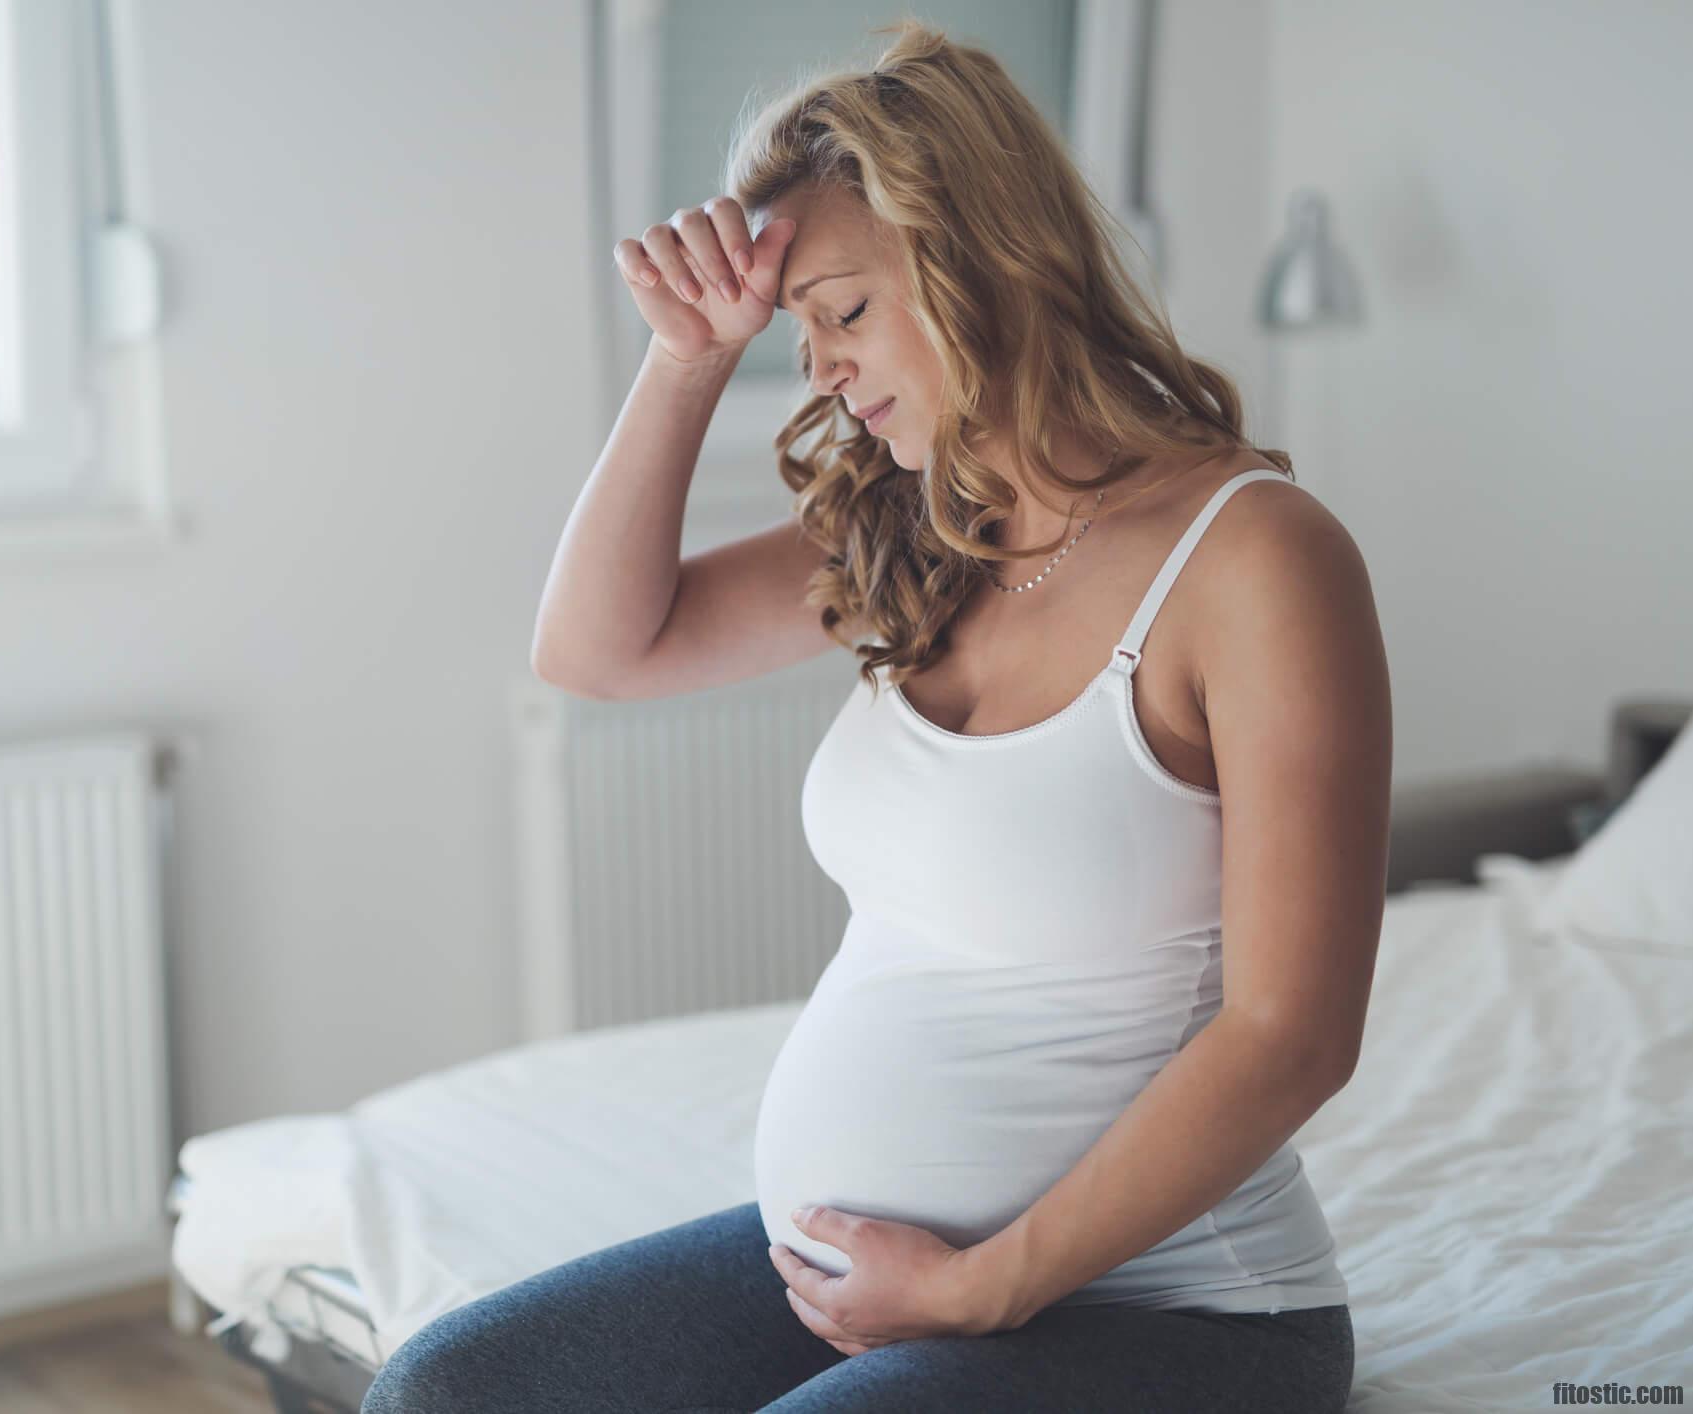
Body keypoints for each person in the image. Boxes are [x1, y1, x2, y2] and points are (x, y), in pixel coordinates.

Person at [364, 18, 1387, 1413]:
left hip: (1179, 1313)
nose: (821, 371)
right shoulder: (923, 525)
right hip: (872, 1286)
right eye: (799, 336)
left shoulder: (1254, 558)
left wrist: (981, 1286)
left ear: (986, 263)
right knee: (448, 1388)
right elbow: (597, 651)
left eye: (841, 311)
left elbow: (1291, 1033)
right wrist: (684, 361)